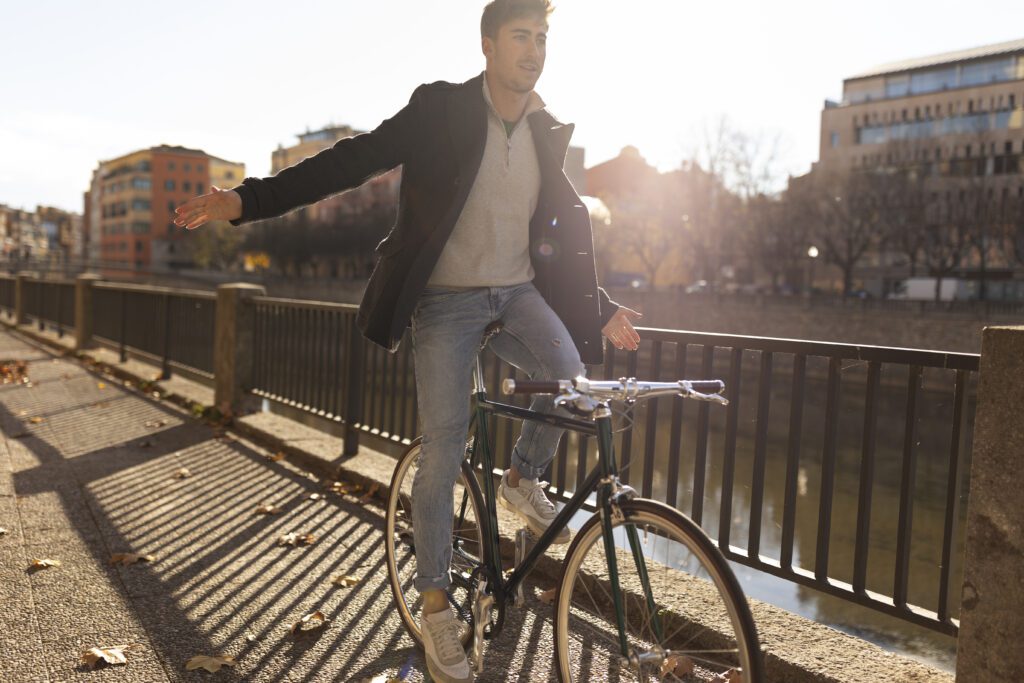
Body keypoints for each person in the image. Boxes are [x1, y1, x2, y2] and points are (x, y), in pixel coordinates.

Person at [174, 1, 640, 679]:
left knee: (570, 378)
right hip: (444, 302)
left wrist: (595, 307)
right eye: (521, 36)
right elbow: (349, 163)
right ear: (487, 45)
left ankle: (522, 478)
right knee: (444, 443)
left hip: (515, 294)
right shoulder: (440, 110)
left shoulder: (545, 127)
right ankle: (436, 605)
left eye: (542, 37)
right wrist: (246, 200)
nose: (535, 49)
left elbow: (557, 234)